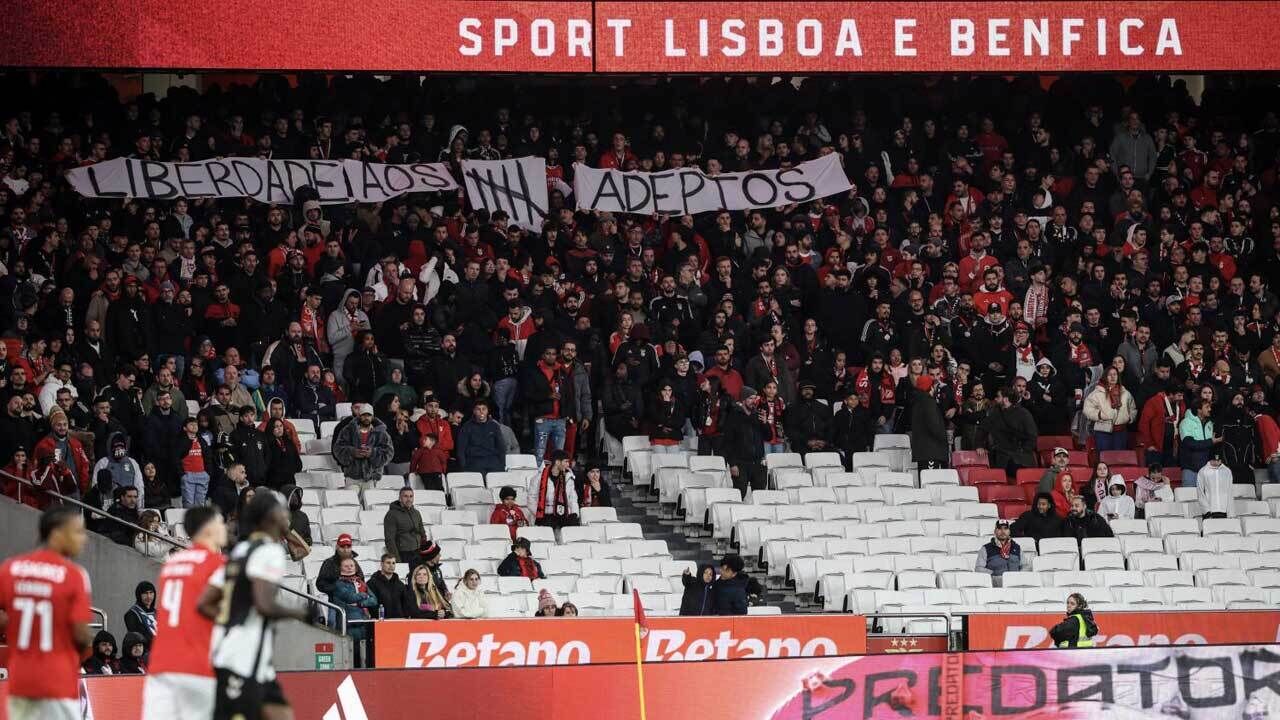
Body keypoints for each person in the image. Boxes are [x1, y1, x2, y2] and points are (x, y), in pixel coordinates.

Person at [211, 492, 315, 720]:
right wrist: (300, 612)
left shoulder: (241, 550)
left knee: (281, 714)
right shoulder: (269, 551)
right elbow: (263, 604)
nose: (286, 516)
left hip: (248, 653)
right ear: (268, 517)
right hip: (241, 657)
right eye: (281, 511)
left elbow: (208, 600)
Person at [0, 507, 95, 720]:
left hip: (20, 680)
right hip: (57, 680)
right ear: (57, 533)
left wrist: (16, 626)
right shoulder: (73, 575)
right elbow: (80, 635)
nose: (84, 539)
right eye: (78, 532)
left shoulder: (10, 568)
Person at [143, 506, 228, 720]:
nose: (224, 527)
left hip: (162, 665)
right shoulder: (217, 565)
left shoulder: (172, 564)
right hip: (198, 666)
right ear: (208, 528)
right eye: (220, 522)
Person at [329, 557, 378, 668]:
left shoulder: (360, 582)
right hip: (348, 626)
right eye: (346, 566)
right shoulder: (338, 584)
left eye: (351, 565)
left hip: (363, 623)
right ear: (340, 569)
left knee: (366, 657)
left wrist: (361, 603)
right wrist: (364, 595)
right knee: (351, 658)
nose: (349, 568)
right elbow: (350, 598)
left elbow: (374, 600)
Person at [332, 403, 393, 486]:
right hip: (352, 476)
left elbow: (389, 453)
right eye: (364, 415)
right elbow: (337, 449)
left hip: (372, 478)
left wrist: (372, 453)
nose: (366, 418)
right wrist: (353, 452)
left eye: (369, 415)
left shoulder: (381, 433)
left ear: (372, 417)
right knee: (350, 499)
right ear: (359, 416)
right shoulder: (348, 430)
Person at [982, 385, 1038, 476]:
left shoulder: (1024, 413)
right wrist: (979, 445)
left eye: (998, 396)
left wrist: (1023, 450)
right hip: (1002, 458)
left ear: (1005, 399)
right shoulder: (994, 414)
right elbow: (983, 428)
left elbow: (1032, 435)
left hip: (1021, 458)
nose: (996, 399)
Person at [1082, 366, 1137, 451]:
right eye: (1109, 375)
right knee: (1105, 457)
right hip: (1103, 431)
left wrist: (1129, 418)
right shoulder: (1097, 393)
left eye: (1115, 374)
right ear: (1105, 377)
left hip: (1121, 431)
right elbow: (1087, 409)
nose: (1112, 377)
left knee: (1119, 458)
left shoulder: (1125, 393)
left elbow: (1132, 408)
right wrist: (1099, 415)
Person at [531, 450, 579, 529]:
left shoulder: (568, 478)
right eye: (566, 461)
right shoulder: (538, 478)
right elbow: (531, 499)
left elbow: (573, 499)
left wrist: (574, 514)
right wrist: (540, 515)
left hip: (564, 514)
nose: (568, 464)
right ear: (557, 462)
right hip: (546, 515)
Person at [1178, 398, 1220, 488]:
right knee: (1189, 499)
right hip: (1190, 470)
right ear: (1199, 409)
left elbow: (1210, 448)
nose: (1210, 409)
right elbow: (1190, 444)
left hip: (1206, 470)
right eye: (1207, 407)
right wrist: (1211, 442)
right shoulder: (1186, 422)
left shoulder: (1210, 424)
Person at [455, 401, 505, 475]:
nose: (481, 412)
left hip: (493, 462)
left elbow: (501, 447)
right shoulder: (467, 427)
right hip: (474, 463)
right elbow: (461, 450)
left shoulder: (494, 426)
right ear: (474, 411)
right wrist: (463, 467)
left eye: (484, 409)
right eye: (478, 409)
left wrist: (502, 464)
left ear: (487, 411)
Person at [383, 487, 426, 564]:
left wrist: (424, 551)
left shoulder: (416, 513)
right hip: (403, 554)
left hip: (418, 552)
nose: (409, 499)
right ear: (400, 498)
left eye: (411, 496)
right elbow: (390, 540)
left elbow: (422, 532)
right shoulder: (391, 515)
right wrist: (397, 560)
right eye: (405, 496)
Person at [975, 520, 1022, 587]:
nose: (1003, 531)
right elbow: (978, 568)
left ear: (1009, 531)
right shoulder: (986, 548)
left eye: (1005, 528)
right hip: (995, 587)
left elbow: (1025, 565)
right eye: (1000, 528)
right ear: (995, 531)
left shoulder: (1016, 547)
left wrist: (1019, 576)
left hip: (1015, 585)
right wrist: (994, 575)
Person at [367, 554, 407, 620]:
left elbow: (405, 604)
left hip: (398, 622)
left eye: (393, 563)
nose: (391, 565)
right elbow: (371, 605)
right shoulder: (372, 583)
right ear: (382, 564)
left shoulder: (400, 584)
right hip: (380, 622)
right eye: (388, 563)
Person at [1196, 452, 1234, 519]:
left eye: (1218, 460)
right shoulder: (1203, 471)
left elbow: (1230, 492)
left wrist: (1230, 513)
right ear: (1210, 460)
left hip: (1224, 511)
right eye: (1214, 460)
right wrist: (1206, 511)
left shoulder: (1227, 471)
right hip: (1210, 511)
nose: (1216, 462)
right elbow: (1200, 493)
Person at [124, 580, 158, 649]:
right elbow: (139, 639)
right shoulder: (132, 614)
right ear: (139, 595)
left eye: (151, 593)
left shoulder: (158, 613)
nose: (149, 596)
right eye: (145, 593)